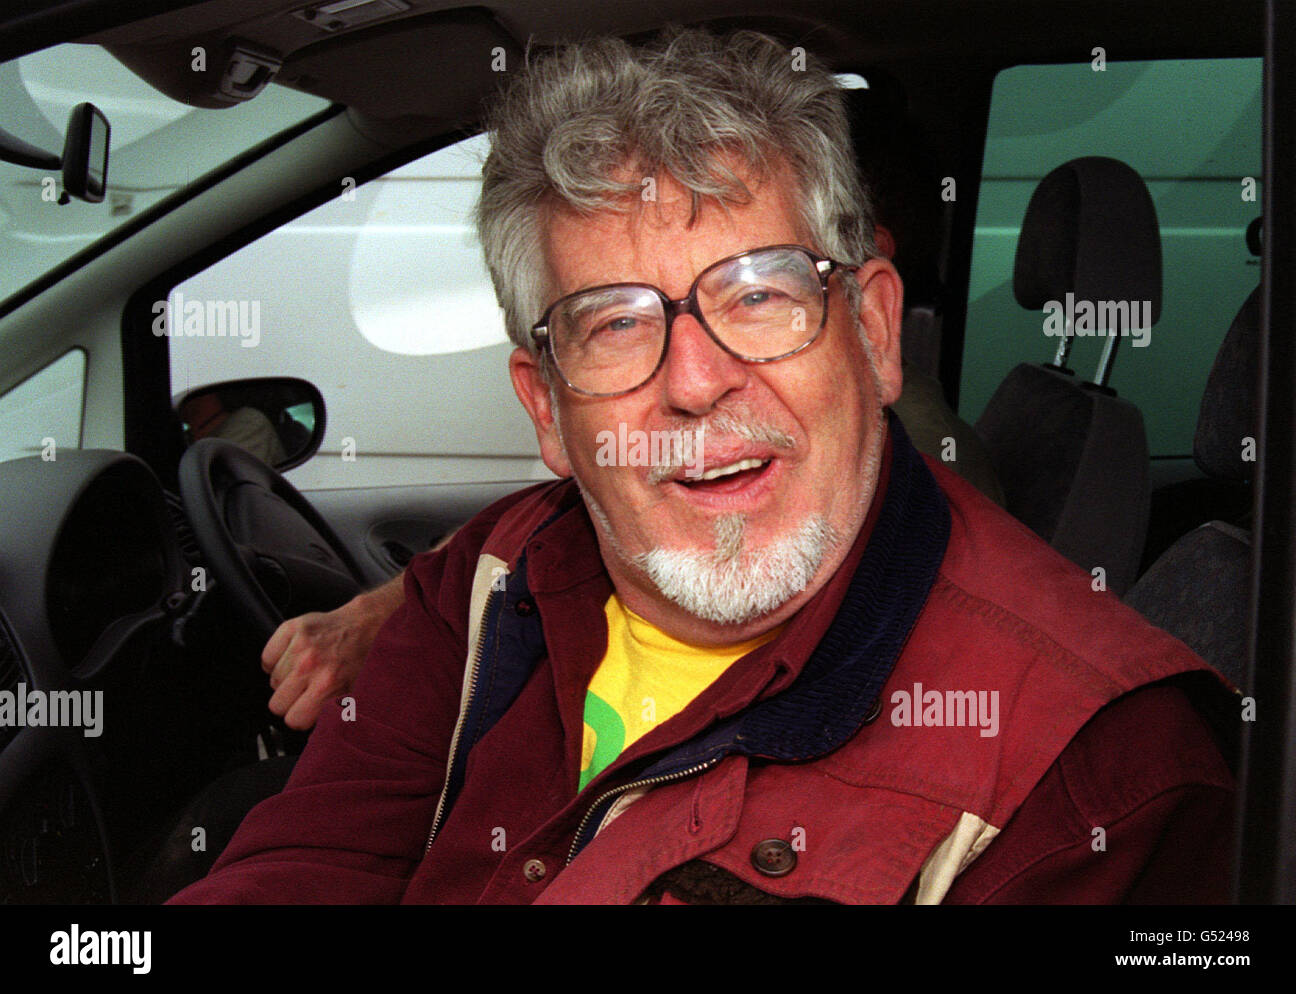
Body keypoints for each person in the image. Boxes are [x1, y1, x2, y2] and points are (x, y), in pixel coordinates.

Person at [171, 27, 1233, 905]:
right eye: (613, 323)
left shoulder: (1099, 775)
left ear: (869, 332)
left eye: (759, 293)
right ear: (546, 407)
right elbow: (311, 862)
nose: (694, 379)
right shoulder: (490, 577)